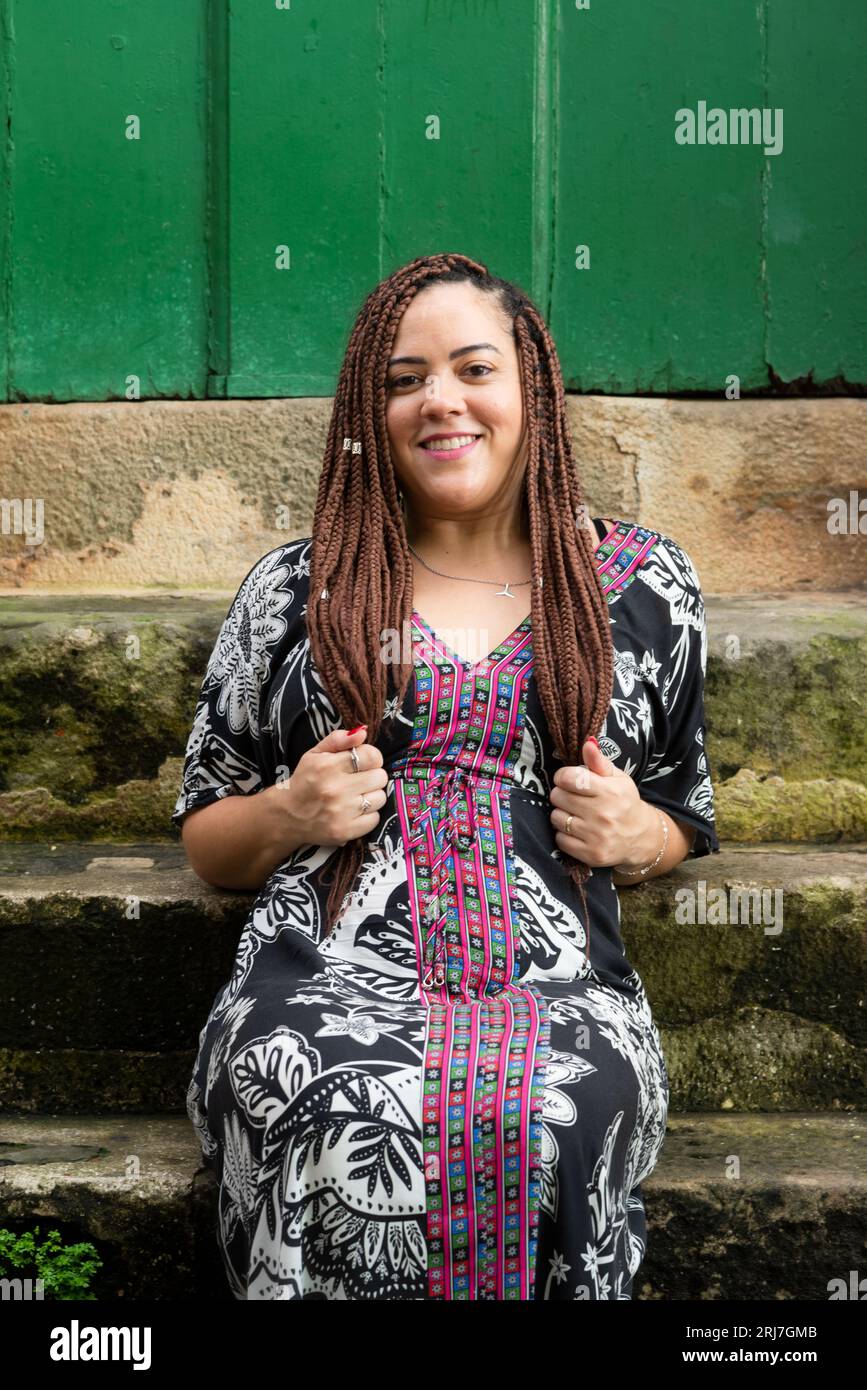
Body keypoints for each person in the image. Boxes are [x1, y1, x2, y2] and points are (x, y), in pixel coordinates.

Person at [172, 252, 720, 1300]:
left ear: (533, 393)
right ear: (367, 412)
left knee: (556, 1111)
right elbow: (207, 835)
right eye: (403, 380)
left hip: (558, 988)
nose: (441, 402)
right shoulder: (297, 590)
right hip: (321, 979)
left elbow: (683, 808)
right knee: (335, 1105)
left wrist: (634, 835)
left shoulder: (645, 588)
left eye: (474, 369)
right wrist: (292, 808)